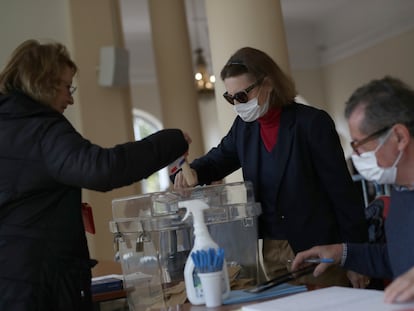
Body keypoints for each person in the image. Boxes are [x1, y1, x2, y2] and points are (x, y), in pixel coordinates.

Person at [0, 39, 189, 311]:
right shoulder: (42, 130)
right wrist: (171, 141)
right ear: (43, 82)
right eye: (66, 87)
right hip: (38, 284)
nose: (70, 98)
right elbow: (102, 168)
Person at [174, 47, 368, 287]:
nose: (237, 104)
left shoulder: (311, 123)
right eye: (230, 98)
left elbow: (343, 194)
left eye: (242, 96)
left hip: (321, 249)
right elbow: (218, 160)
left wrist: (357, 256)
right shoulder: (244, 128)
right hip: (272, 250)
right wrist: (188, 171)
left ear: (268, 83)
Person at [291, 76, 414, 303]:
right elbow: (398, 258)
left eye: (359, 145)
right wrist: (342, 253)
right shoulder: (402, 190)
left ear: (399, 137)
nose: (356, 156)